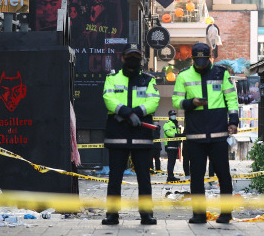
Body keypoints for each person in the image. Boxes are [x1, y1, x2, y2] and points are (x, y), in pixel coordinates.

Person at [172, 42, 239, 224]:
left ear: (210, 57)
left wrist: (233, 121)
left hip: (217, 134)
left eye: (204, 59)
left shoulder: (221, 73)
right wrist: (190, 102)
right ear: (192, 59)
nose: (201, 63)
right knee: (197, 177)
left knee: (223, 174)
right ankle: (199, 214)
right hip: (195, 135)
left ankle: (226, 213)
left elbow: (231, 99)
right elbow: (176, 100)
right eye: (197, 59)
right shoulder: (184, 76)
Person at [102, 43, 160, 225]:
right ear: (123, 58)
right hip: (117, 133)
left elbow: (154, 100)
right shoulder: (112, 78)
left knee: (144, 176)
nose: (133, 59)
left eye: (136, 56)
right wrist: (127, 113)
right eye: (130, 56)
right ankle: (112, 214)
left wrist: (137, 112)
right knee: (115, 177)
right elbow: (108, 98)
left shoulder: (149, 80)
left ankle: (146, 214)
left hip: (141, 134)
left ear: (141, 59)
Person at [163, 110, 181, 182]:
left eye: (174, 114)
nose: (174, 116)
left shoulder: (175, 124)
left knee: (173, 162)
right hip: (170, 145)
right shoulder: (167, 124)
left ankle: (171, 176)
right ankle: (170, 177)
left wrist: (180, 137)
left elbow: (178, 132)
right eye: (172, 114)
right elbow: (168, 133)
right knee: (170, 162)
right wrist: (178, 135)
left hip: (175, 145)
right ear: (169, 116)